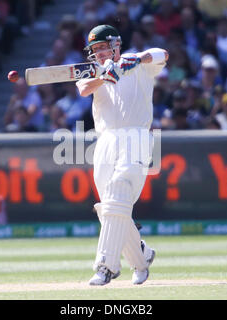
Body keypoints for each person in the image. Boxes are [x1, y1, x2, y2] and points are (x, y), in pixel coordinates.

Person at [76, 25, 168, 286]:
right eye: (95, 50)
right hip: (105, 141)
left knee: (119, 191)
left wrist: (136, 60)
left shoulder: (137, 62)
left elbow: (162, 54)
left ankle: (106, 267)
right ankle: (142, 258)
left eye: (104, 47)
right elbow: (83, 89)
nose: (100, 53)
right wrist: (105, 76)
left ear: (116, 45)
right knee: (109, 208)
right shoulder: (92, 70)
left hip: (136, 136)